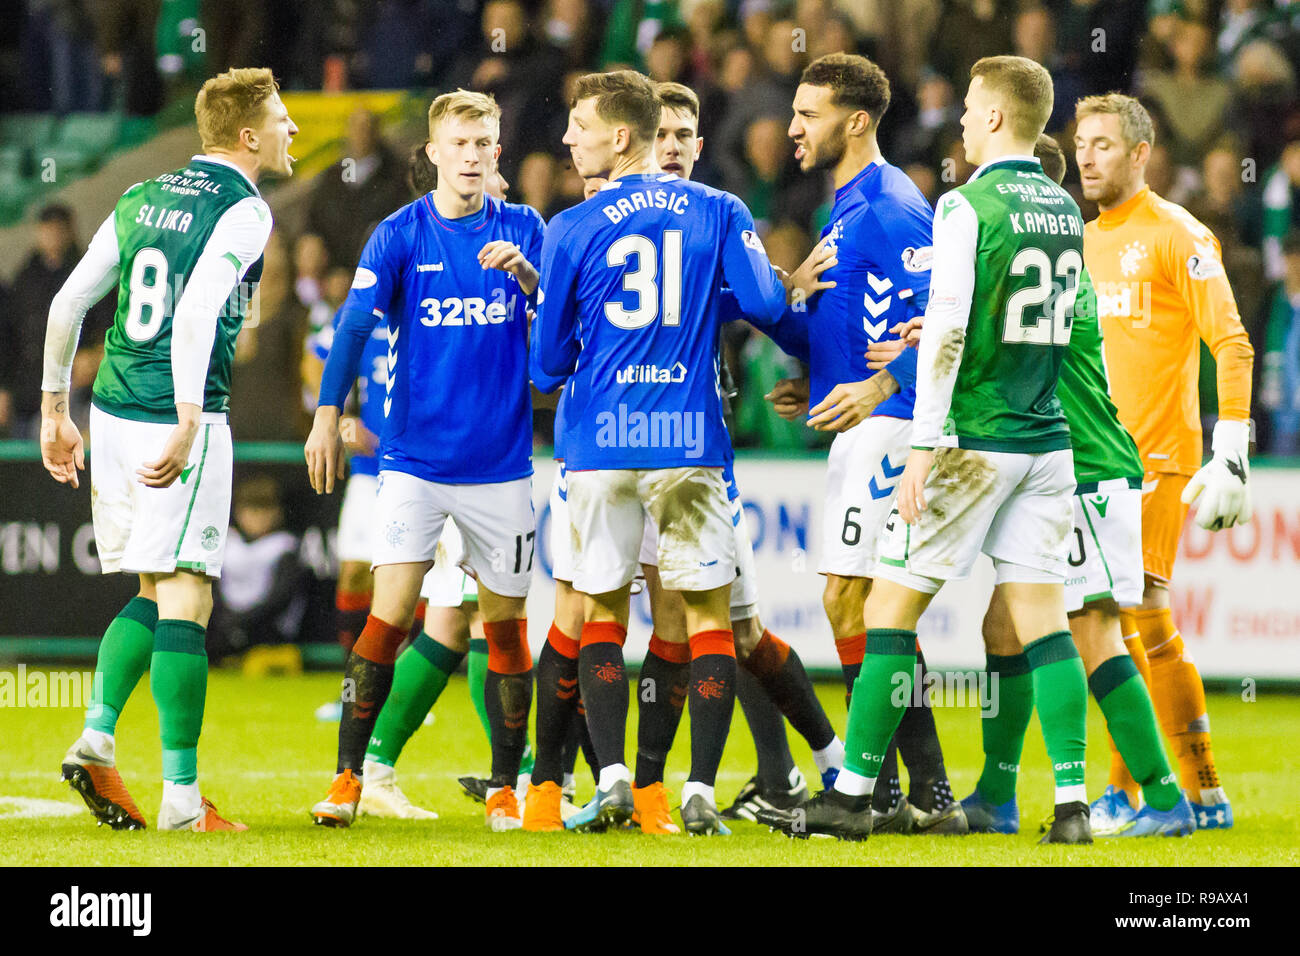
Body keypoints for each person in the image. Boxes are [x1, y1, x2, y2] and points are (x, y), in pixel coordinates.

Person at [763, 55, 1092, 844]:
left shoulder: (955, 205)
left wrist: (912, 429)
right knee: (1044, 626)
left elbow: (942, 328)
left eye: (972, 106)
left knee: (883, 608)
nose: (962, 119)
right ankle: (1073, 806)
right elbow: (1068, 331)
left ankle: (860, 793)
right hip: (1042, 437)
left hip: (965, 434)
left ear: (995, 118)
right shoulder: (1063, 208)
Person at [533, 69, 787, 835]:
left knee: (601, 614)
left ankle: (609, 778)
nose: (569, 137)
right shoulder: (719, 208)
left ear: (619, 136)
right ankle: (698, 793)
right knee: (707, 620)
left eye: (580, 125)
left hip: (602, 444)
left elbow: (545, 367)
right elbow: (769, 305)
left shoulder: (572, 227)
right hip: (688, 440)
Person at [44, 67, 296, 832]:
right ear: (248, 136)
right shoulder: (245, 210)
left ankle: (94, 736)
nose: (291, 130)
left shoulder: (140, 196)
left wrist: (56, 408)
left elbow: (67, 302)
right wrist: (190, 418)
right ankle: (183, 800)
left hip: (112, 410)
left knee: (156, 592)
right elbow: (193, 317)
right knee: (190, 594)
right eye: (282, 119)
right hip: (173, 415)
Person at [304, 89, 544, 832]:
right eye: (459, 144)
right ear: (435, 152)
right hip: (412, 463)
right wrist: (326, 413)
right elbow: (351, 327)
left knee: (501, 627)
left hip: (501, 466)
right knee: (390, 615)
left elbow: (559, 336)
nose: (472, 156)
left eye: (483, 144)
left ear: (495, 152)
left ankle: (507, 787)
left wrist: (532, 284)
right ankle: (348, 778)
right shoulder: (400, 234)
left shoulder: (528, 229)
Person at [956, 134, 1195, 838]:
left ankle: (1162, 795)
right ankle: (997, 796)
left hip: (1083, 470)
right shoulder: (1060, 267)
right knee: (1003, 627)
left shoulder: (1045, 276)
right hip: (1063, 469)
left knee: (1093, 635)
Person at [766, 52, 964, 833]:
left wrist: (884, 388)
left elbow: (945, 319)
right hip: (865, 426)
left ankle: (883, 791)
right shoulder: (845, 208)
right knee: (872, 608)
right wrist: (813, 372)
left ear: (854, 121)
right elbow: (860, 320)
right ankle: (922, 796)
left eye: (807, 115)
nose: (792, 128)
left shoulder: (890, 206)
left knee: (851, 600)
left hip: (894, 427)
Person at [1075, 93, 1254, 833]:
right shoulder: (1082, 242)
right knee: (1138, 623)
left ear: (1141, 153)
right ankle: (1202, 794)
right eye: (1081, 144)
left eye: (1104, 145)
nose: (1087, 157)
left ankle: (1131, 795)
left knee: (1127, 618)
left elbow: (1233, 341)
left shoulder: (1178, 234)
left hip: (1154, 456)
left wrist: (1232, 447)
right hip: (1094, 460)